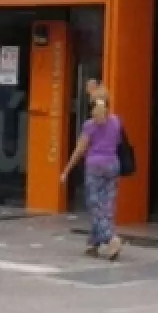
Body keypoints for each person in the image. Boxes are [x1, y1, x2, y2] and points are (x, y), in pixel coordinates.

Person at [62, 96, 124, 261]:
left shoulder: (89, 126)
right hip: (112, 165)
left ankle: (111, 238)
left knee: (95, 206)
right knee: (107, 206)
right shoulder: (116, 121)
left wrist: (67, 170)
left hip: (95, 167)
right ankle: (93, 244)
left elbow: (80, 150)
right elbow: (117, 142)